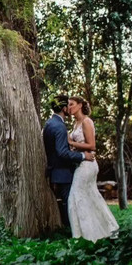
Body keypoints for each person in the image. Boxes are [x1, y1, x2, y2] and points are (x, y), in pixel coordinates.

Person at [66, 96, 120, 242]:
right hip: (81, 162)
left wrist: (71, 142)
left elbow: (92, 146)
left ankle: (83, 236)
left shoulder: (86, 121)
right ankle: (106, 230)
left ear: (80, 105)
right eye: (68, 105)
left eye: (72, 104)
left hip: (88, 165)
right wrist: (72, 146)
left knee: (74, 198)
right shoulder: (75, 124)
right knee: (91, 196)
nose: (69, 107)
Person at [42, 94, 94, 228]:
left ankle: (76, 228)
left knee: (69, 200)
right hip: (63, 172)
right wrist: (83, 156)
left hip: (56, 170)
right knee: (69, 201)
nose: (70, 108)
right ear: (64, 109)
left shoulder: (49, 123)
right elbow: (61, 152)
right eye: (68, 105)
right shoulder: (59, 126)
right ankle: (72, 229)